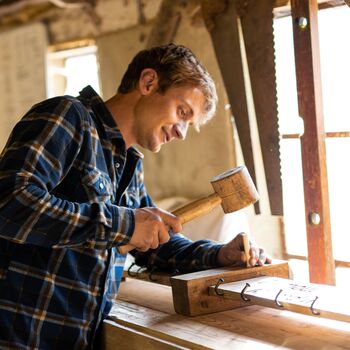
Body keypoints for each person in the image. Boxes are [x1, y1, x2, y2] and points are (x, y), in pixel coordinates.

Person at [0, 43, 270, 349]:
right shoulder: (68, 117)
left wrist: (219, 255)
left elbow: (154, 246)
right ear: (148, 82)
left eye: (189, 124)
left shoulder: (128, 164)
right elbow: (10, 203)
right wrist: (124, 225)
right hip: (19, 337)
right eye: (182, 112)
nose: (181, 132)